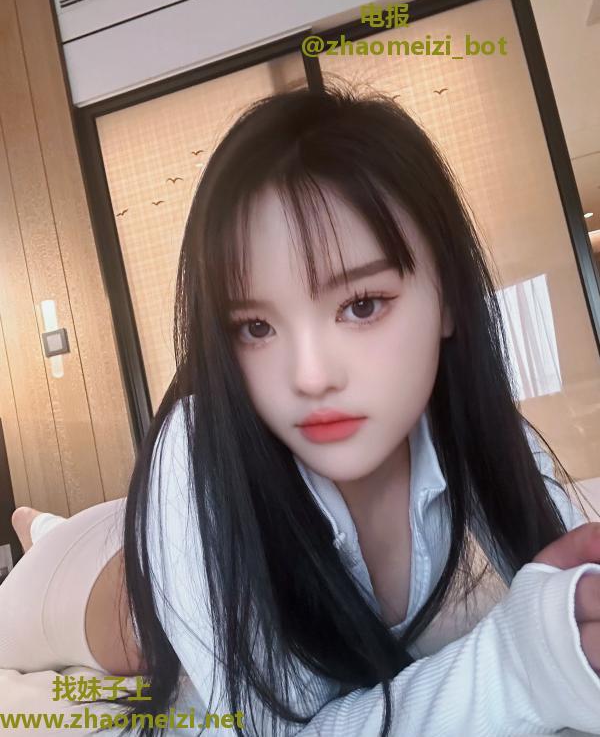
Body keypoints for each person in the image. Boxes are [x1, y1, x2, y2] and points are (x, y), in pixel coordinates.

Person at [2, 80, 600, 737]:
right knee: (78, 575)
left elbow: (569, 580)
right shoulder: (195, 456)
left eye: (362, 305)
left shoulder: (481, 440)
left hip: (161, 525)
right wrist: (519, 667)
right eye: (256, 327)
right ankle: (44, 531)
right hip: (74, 584)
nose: (310, 377)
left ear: (450, 300)